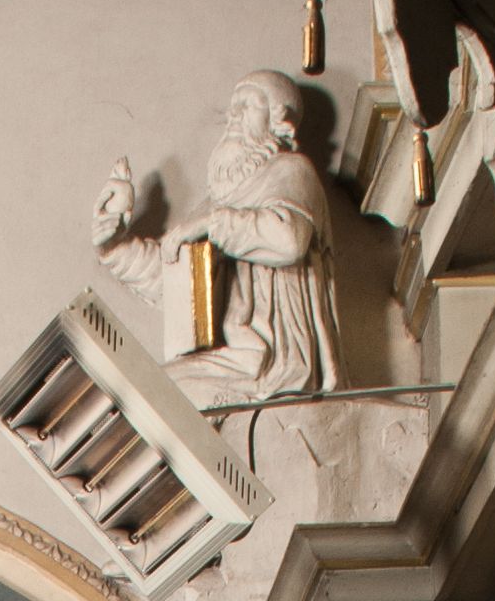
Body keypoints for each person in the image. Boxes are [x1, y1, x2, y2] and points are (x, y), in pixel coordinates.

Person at [93, 69, 343, 406]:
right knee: (146, 391)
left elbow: (289, 240)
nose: (233, 116)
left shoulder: (291, 171)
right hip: (233, 358)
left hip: (275, 364)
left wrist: (211, 224)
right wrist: (116, 247)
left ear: (278, 119)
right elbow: (175, 274)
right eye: (232, 107)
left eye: (248, 105)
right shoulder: (219, 202)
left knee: (158, 396)